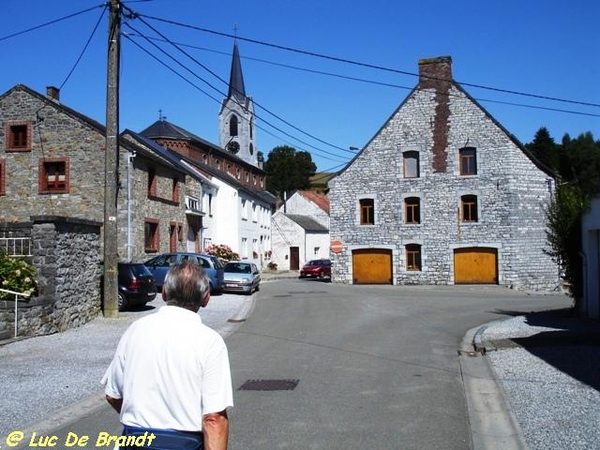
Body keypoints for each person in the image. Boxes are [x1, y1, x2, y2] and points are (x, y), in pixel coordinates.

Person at [102, 261, 233, 450]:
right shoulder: (210, 342)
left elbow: (113, 395)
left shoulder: (136, 330)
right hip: (184, 443)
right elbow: (213, 419)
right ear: (206, 298)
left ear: (163, 292)